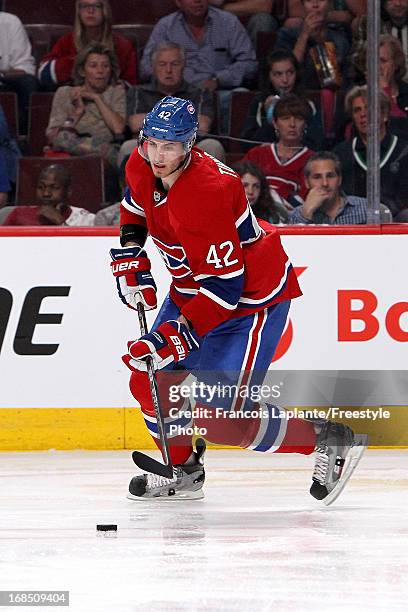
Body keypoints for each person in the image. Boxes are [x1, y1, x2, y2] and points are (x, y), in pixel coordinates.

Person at [109, 95, 367, 503]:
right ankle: (183, 470)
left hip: (249, 301)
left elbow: (225, 291)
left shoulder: (207, 192)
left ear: (189, 146)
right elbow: (134, 209)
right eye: (152, 143)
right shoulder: (142, 162)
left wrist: (172, 338)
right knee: (148, 381)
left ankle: (327, 438)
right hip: (193, 288)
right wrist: (130, 254)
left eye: (170, 146)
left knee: (220, 421)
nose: (158, 155)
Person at [140, 0, 257, 132]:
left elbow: (249, 63)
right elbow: (146, 66)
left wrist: (218, 80)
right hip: (179, 93)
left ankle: (230, 146)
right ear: (178, 2)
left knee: (241, 96)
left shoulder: (228, 22)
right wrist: (177, 79)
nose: (198, 1)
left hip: (217, 92)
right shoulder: (166, 26)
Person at [118, 41, 225, 167]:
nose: (168, 70)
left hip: (190, 149)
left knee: (213, 145)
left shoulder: (199, 92)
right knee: (128, 147)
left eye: (175, 64)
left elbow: (203, 125)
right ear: (153, 67)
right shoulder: (138, 92)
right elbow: (135, 124)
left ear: (184, 66)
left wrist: (155, 120)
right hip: (151, 148)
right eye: (162, 64)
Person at [334, 85, 408, 221]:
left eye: (369, 108)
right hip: (351, 225)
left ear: (384, 115)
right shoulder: (341, 154)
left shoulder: (403, 151)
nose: (363, 114)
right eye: (357, 110)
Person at [46, 42, 126, 168]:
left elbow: (118, 128)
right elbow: (54, 137)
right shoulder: (65, 93)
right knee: (62, 139)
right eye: (93, 66)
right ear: (82, 71)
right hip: (75, 151)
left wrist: (97, 98)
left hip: (105, 156)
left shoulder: (116, 92)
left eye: (105, 66)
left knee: (111, 153)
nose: (100, 71)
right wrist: (77, 111)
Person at [38, 0, 137, 90]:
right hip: (73, 98)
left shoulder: (122, 45)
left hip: (110, 100)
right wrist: (78, 62)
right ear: (79, 12)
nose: (90, 10)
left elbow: (132, 84)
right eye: (85, 6)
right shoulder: (67, 41)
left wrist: (122, 86)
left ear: (105, 11)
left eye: (97, 6)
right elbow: (43, 75)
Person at [240, 49, 325, 151]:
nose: (285, 80)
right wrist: (269, 117)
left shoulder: (309, 104)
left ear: (297, 74)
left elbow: (318, 144)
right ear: (269, 77)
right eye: (278, 74)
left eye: (290, 73)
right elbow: (248, 145)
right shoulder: (259, 103)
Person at [244, 95, 315, 208]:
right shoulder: (257, 154)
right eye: (285, 118)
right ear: (275, 124)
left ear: (305, 125)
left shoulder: (312, 160)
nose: (292, 124)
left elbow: (307, 202)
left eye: (298, 119)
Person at [276, 0, 350, 91]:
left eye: (321, 0)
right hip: (295, 94)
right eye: (309, 0)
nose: (315, 5)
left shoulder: (340, 40)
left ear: (330, 4)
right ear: (303, 5)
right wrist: (304, 35)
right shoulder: (286, 34)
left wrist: (320, 40)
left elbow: (333, 80)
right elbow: (288, 70)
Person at [289, 151, 372, 224]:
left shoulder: (368, 209)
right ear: (306, 182)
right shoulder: (295, 216)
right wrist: (306, 214)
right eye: (317, 177)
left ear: (339, 179)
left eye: (330, 176)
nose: (325, 183)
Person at [4, 164, 95, 226]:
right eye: (41, 187)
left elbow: (83, 251)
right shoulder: (19, 215)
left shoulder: (84, 220)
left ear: (68, 192)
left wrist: (60, 223)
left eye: (54, 187)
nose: (46, 193)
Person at [0, 11, 39, 134]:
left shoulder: (10, 22)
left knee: (28, 82)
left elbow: (24, 67)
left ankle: (24, 138)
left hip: (3, 81)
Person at [209, 0, 278, 47]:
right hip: (224, 25)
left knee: (263, 19)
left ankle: (256, 66)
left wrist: (223, 8)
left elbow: (264, 5)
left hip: (252, 26)